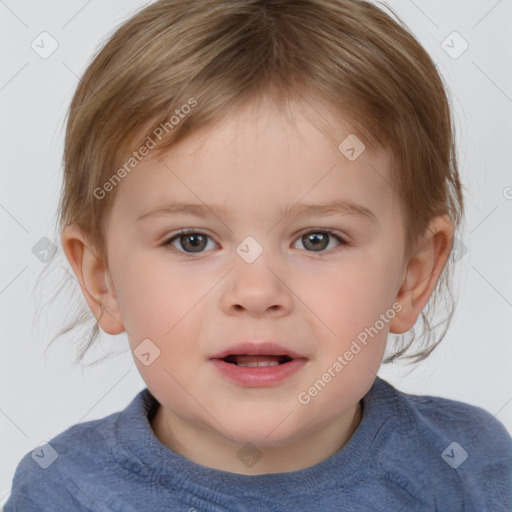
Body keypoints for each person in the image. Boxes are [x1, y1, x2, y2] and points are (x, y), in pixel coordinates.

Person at [5, 0, 511, 510]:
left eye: (318, 239)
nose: (257, 293)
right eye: (192, 240)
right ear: (102, 280)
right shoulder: (62, 494)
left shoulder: (469, 469)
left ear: (410, 278)